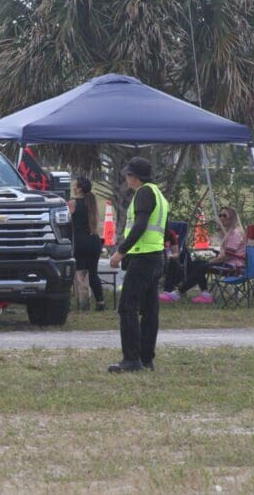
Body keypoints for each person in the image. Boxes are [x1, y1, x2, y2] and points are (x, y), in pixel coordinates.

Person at [107, 157, 168, 373]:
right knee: (150, 311)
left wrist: (120, 252)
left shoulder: (143, 193)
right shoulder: (159, 195)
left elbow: (140, 226)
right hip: (156, 257)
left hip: (142, 258)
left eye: (128, 175)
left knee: (127, 307)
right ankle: (146, 358)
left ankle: (131, 360)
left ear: (136, 177)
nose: (126, 178)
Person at [167, 205, 246, 304]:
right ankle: (203, 293)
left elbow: (227, 256)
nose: (221, 218)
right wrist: (220, 228)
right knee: (196, 264)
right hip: (230, 263)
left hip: (233, 266)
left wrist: (210, 261)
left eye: (224, 216)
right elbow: (226, 248)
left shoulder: (235, 233)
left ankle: (178, 293)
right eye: (220, 215)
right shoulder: (232, 232)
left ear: (232, 218)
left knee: (201, 266)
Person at [67, 176, 106, 312]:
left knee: (80, 274)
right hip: (94, 241)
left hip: (80, 242)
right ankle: (100, 302)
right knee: (93, 274)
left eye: (75, 185)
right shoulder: (92, 202)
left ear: (79, 189)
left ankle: (84, 304)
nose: (73, 187)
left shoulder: (72, 203)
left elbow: (66, 221)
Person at [159, 227, 183, 303]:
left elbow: (176, 253)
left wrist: (170, 257)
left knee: (173, 263)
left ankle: (167, 292)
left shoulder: (170, 234)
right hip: (155, 260)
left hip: (168, 261)